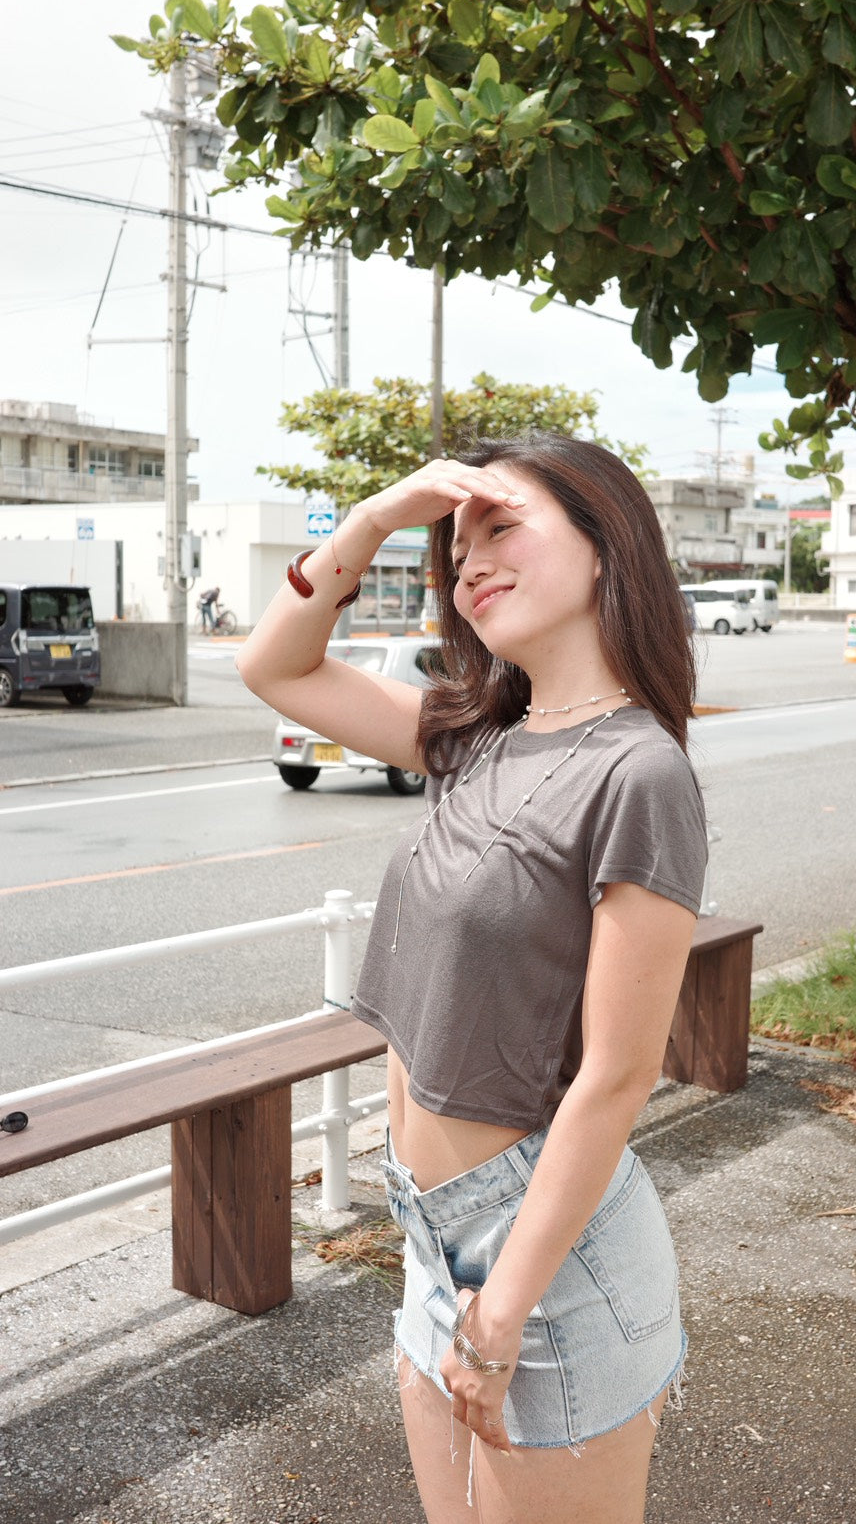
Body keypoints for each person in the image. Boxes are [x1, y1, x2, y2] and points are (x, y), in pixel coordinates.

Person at [237, 433, 708, 1524]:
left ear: (604, 542)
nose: (470, 565)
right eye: (455, 553)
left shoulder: (638, 771)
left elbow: (617, 1076)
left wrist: (500, 1314)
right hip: (430, 1235)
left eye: (502, 528)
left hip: (541, 1258)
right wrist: (370, 521)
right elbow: (274, 668)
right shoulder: (478, 738)